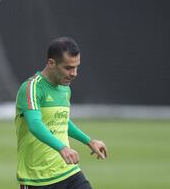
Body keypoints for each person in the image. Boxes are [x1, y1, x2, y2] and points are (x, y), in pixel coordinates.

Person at [15, 37, 108, 188]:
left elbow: (62, 121)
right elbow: (35, 124)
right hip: (37, 178)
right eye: (68, 68)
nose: (74, 73)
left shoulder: (65, 89)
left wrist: (89, 141)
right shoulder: (32, 87)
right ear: (51, 63)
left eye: (77, 67)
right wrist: (62, 148)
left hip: (68, 171)